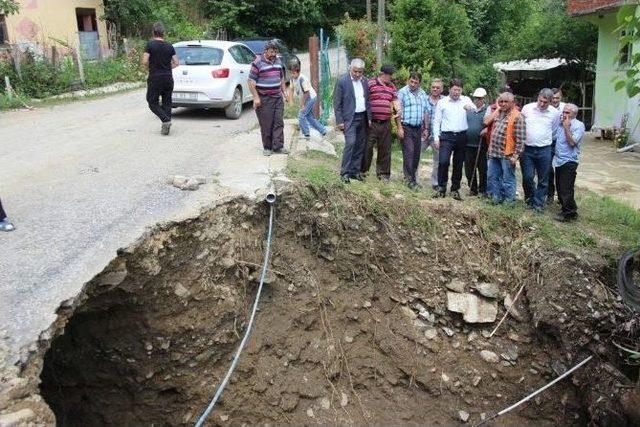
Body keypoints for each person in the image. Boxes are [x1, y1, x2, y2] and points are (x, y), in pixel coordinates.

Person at [433, 78, 475, 200]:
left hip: (462, 136)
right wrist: (436, 137)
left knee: (458, 163)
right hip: (446, 136)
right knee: (443, 161)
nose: (457, 92)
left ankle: (455, 189)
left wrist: (469, 108)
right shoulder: (443, 102)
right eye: (455, 89)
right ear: (450, 89)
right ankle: (441, 187)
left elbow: (473, 108)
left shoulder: (466, 100)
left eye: (459, 90)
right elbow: (437, 121)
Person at [520, 88, 560, 212]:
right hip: (527, 149)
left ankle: (538, 204)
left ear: (550, 101)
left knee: (543, 179)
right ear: (538, 97)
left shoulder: (554, 113)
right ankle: (529, 200)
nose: (542, 104)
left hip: (545, 150)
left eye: (545, 102)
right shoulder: (527, 109)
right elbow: (521, 126)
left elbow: (554, 131)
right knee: (527, 177)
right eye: (541, 101)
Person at [333, 58, 372, 183]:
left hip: (363, 116)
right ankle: (345, 172)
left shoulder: (365, 81)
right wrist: (339, 121)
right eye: (355, 71)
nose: (357, 74)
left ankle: (355, 171)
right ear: (350, 68)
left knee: (360, 145)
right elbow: (337, 102)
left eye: (360, 72)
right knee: (350, 143)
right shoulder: (342, 81)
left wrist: (369, 118)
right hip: (350, 118)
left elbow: (367, 101)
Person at [362, 64, 402, 181]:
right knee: (367, 148)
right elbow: (364, 99)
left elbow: (395, 100)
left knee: (385, 149)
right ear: (383, 74)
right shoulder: (371, 83)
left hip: (386, 123)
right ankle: (363, 172)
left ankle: (383, 175)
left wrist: (398, 109)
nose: (391, 78)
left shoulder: (391, 86)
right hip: (372, 123)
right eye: (390, 75)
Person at [249, 40, 287, 156]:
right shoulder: (258, 62)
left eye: (275, 51)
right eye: (271, 51)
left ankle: (278, 147)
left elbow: (281, 78)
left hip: (277, 97)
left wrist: (284, 92)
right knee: (266, 124)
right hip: (264, 98)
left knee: (278, 122)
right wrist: (256, 98)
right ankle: (267, 147)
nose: (274, 54)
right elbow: (251, 82)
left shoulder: (278, 60)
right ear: (265, 51)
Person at [486, 92, 526, 205]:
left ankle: (509, 202)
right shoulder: (499, 114)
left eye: (505, 102)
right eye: (501, 101)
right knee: (492, 176)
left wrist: (516, 156)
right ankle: (496, 198)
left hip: (507, 155)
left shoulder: (518, 116)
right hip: (495, 153)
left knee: (508, 179)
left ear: (512, 103)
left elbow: (521, 139)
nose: (503, 104)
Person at [142, 22, 179, 135]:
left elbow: (144, 61)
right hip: (168, 77)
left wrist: (151, 68)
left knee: (152, 102)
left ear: (154, 32)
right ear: (163, 33)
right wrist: (167, 68)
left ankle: (166, 120)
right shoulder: (169, 46)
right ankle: (166, 126)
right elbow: (176, 62)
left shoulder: (150, 45)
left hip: (155, 77)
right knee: (167, 102)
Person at [398, 72, 430, 189]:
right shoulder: (402, 92)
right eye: (411, 81)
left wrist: (426, 128)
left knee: (416, 154)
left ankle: (413, 178)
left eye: (415, 82)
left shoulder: (423, 94)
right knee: (409, 152)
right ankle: (409, 180)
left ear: (419, 83)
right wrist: (399, 127)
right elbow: (398, 112)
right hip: (406, 126)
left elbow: (426, 111)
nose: (412, 84)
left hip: (418, 128)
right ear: (408, 80)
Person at [554, 103, 585, 222]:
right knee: (560, 187)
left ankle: (569, 214)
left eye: (568, 113)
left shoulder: (578, 125)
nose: (564, 114)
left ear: (574, 114)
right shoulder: (560, 123)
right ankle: (568, 209)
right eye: (564, 112)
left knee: (566, 188)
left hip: (569, 161)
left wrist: (567, 127)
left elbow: (572, 143)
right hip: (559, 160)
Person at [289, 63, 327, 140]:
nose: (292, 75)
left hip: (310, 98)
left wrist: (302, 105)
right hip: (305, 98)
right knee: (309, 117)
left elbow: (307, 93)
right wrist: (291, 100)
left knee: (301, 115)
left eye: (294, 73)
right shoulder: (292, 79)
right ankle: (323, 131)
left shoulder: (302, 79)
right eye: (291, 73)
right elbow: (291, 89)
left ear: (298, 72)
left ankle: (306, 134)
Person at [464, 87, 488, 196]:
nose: (477, 100)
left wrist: (486, 129)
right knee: (469, 168)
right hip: (468, 144)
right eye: (476, 98)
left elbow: (490, 123)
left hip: (481, 145)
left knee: (482, 169)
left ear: (484, 99)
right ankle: (473, 189)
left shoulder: (487, 110)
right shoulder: (469, 110)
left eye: (480, 98)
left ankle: (483, 190)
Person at [548, 87, 567, 202]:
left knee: (562, 168)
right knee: (548, 168)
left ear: (561, 98)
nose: (555, 100)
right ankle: (550, 193)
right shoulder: (546, 108)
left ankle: (561, 196)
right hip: (549, 142)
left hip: (561, 142)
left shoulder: (565, 108)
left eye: (557, 98)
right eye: (553, 98)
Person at [424, 78, 444, 189]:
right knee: (415, 156)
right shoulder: (424, 99)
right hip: (424, 133)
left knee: (438, 160)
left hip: (438, 135)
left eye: (437, 88)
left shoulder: (445, 100)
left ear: (442, 89)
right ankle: (413, 179)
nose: (435, 89)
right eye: (433, 87)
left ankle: (435, 183)